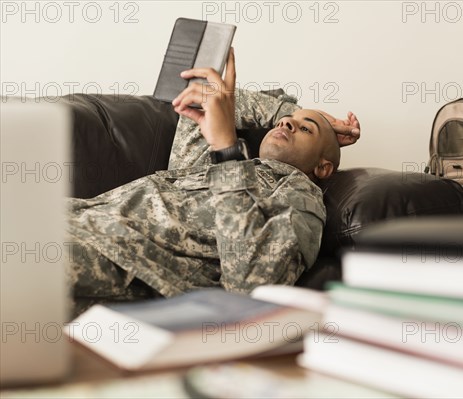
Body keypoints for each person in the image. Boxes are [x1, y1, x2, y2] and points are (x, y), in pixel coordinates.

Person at [66, 48, 360, 315]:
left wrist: (227, 152)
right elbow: (210, 99)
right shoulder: (201, 164)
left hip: (112, 254)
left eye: (306, 129)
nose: (287, 124)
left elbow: (252, 288)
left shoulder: (297, 193)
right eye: (284, 122)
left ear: (323, 168)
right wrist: (291, 113)